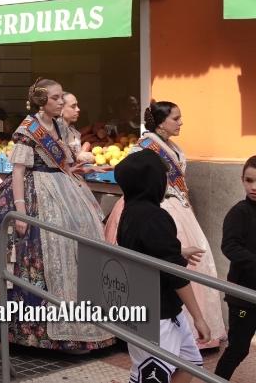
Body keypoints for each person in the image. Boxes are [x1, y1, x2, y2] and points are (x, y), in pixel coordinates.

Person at [0, 78, 116, 352]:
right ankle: (36, 332)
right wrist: (21, 210)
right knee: (38, 255)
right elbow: (17, 172)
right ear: (42, 101)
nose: (61, 101)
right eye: (56, 98)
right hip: (34, 191)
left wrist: (75, 168)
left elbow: (64, 160)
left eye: (62, 97)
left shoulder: (61, 126)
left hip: (65, 190)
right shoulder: (27, 130)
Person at [104, 101, 227, 349]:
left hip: (177, 207)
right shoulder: (144, 147)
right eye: (176, 118)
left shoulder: (173, 147)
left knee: (190, 262)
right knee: (167, 265)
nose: (181, 122)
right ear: (161, 122)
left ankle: (191, 330)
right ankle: (176, 327)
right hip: (155, 208)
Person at [115, 150, 212, 383]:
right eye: (162, 177)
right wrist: (199, 317)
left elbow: (145, 249)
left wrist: (177, 252)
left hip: (155, 308)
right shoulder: (154, 216)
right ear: (152, 182)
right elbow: (175, 273)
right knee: (151, 376)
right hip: (156, 315)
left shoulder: (130, 211)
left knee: (190, 362)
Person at [215, 156, 256, 380]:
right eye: (249, 180)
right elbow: (229, 246)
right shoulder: (239, 213)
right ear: (242, 180)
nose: (254, 187)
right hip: (243, 298)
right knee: (239, 348)